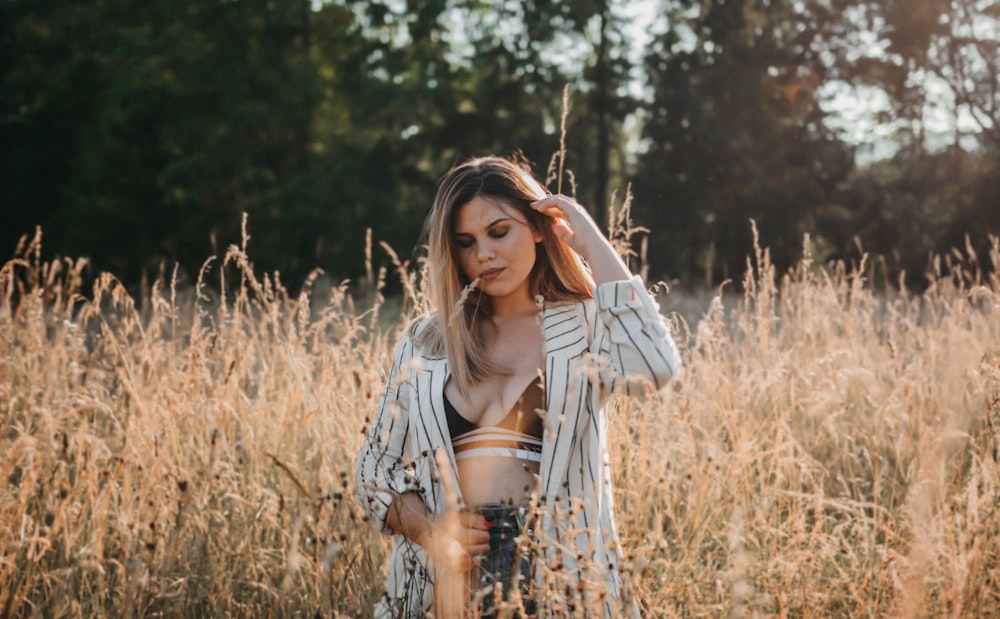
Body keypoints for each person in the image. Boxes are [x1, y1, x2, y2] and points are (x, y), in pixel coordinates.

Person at [355, 155, 681, 617]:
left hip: (561, 578)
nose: (483, 254)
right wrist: (429, 528)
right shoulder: (427, 343)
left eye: (499, 231)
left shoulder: (585, 325)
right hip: (446, 588)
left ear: (539, 227)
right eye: (465, 242)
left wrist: (588, 238)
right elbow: (374, 472)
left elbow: (655, 367)